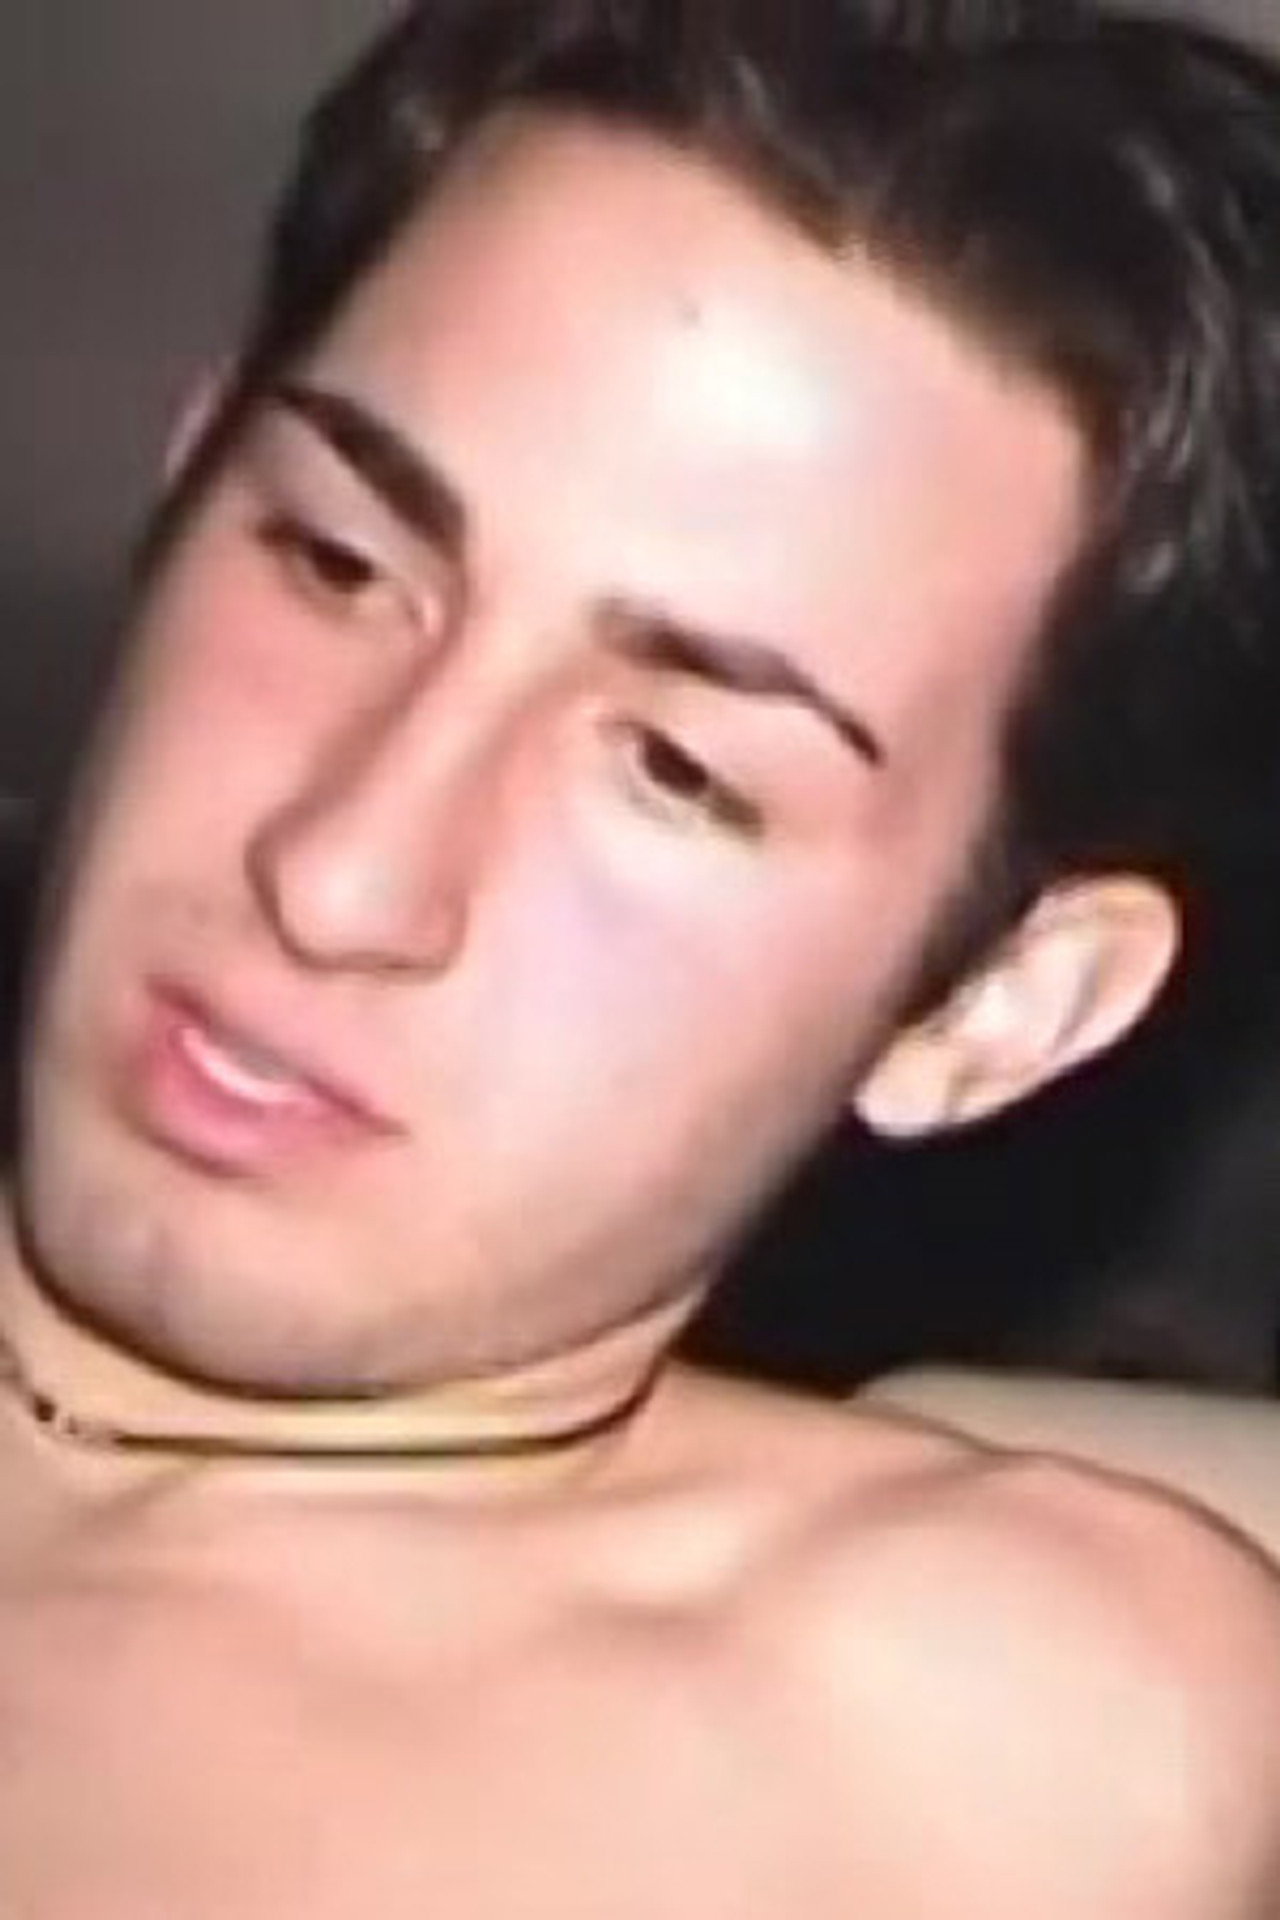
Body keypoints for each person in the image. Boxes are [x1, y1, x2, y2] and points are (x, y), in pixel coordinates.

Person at [5, 1, 1280, 1910]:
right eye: (338, 563)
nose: (338, 874)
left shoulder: (963, 1725)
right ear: (187, 485)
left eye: (681, 770)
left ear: (998, 1012)